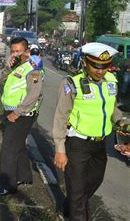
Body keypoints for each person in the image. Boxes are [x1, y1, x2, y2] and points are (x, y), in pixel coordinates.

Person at [53, 42, 128, 220]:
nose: (100, 71)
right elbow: (60, 117)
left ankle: (67, 207)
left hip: (100, 144)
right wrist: (60, 150)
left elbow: (112, 109)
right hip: (77, 144)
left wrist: (121, 122)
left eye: (105, 66)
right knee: (78, 193)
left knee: (93, 182)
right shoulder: (71, 84)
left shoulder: (111, 82)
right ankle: (76, 212)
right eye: (95, 65)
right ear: (85, 62)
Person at [0, 36, 44, 196]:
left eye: (18, 51)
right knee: (18, 146)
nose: (14, 54)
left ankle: (7, 185)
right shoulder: (17, 66)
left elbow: (34, 95)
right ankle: (24, 176)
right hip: (14, 112)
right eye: (12, 51)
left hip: (22, 114)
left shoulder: (33, 68)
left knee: (8, 149)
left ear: (27, 51)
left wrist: (16, 113)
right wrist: (7, 68)